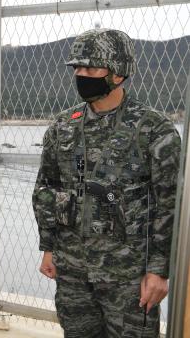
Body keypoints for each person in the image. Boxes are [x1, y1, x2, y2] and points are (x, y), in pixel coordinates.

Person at [33, 28, 180, 337]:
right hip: (72, 271)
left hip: (127, 277)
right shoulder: (62, 126)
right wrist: (49, 247)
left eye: (92, 68)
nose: (83, 75)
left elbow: (167, 209)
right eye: (78, 68)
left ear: (119, 73)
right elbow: (46, 189)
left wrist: (158, 271)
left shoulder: (154, 130)